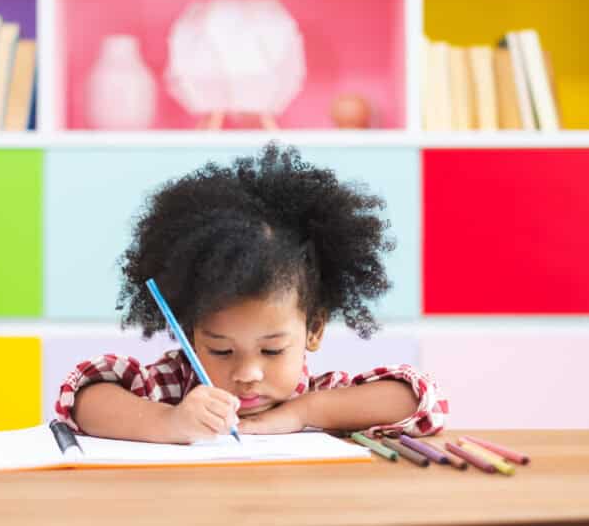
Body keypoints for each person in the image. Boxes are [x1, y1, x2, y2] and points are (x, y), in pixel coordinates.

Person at [54, 143, 446, 443]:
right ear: (190, 332)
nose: (247, 374)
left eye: (272, 350)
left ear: (314, 329)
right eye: (221, 350)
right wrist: (170, 422)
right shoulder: (174, 386)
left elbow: (423, 400)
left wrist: (303, 412)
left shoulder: (315, 393)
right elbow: (83, 398)